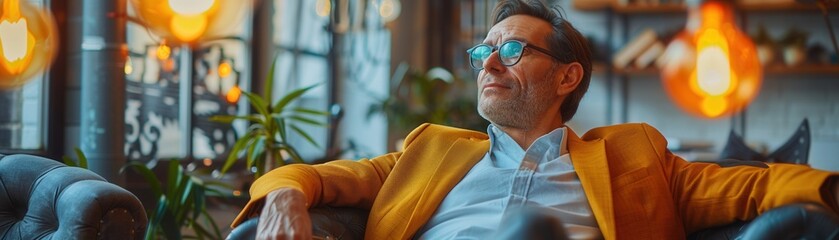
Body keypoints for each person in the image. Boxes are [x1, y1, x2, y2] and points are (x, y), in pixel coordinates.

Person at [232, 0, 839, 239]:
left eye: (514, 50)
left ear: (567, 76)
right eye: (483, 50)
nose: (488, 62)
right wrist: (285, 197)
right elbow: (312, 177)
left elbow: (753, 183)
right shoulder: (429, 149)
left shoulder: (634, 154)